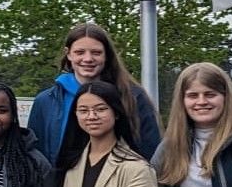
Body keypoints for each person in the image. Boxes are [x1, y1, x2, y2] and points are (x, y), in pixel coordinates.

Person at [27, 23, 164, 166]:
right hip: (62, 185)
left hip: (119, 184)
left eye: (96, 52)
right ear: (68, 54)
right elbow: (36, 156)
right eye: (80, 52)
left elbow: (150, 150)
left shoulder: (132, 96)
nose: (88, 59)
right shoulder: (46, 101)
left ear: (106, 55)